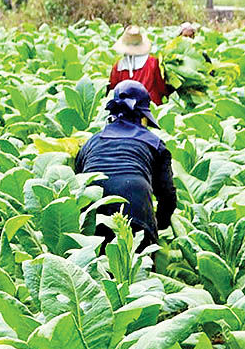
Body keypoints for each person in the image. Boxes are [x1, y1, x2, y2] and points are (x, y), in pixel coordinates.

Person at [75, 80, 177, 250]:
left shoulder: (91, 142)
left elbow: (78, 182)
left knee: (93, 270)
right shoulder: (155, 144)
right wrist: (159, 226)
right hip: (136, 209)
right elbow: (167, 195)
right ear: (143, 116)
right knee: (137, 272)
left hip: (92, 211)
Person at [108, 25, 167, 105]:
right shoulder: (153, 62)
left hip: (126, 109)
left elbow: (112, 90)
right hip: (150, 107)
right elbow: (161, 87)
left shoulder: (118, 66)